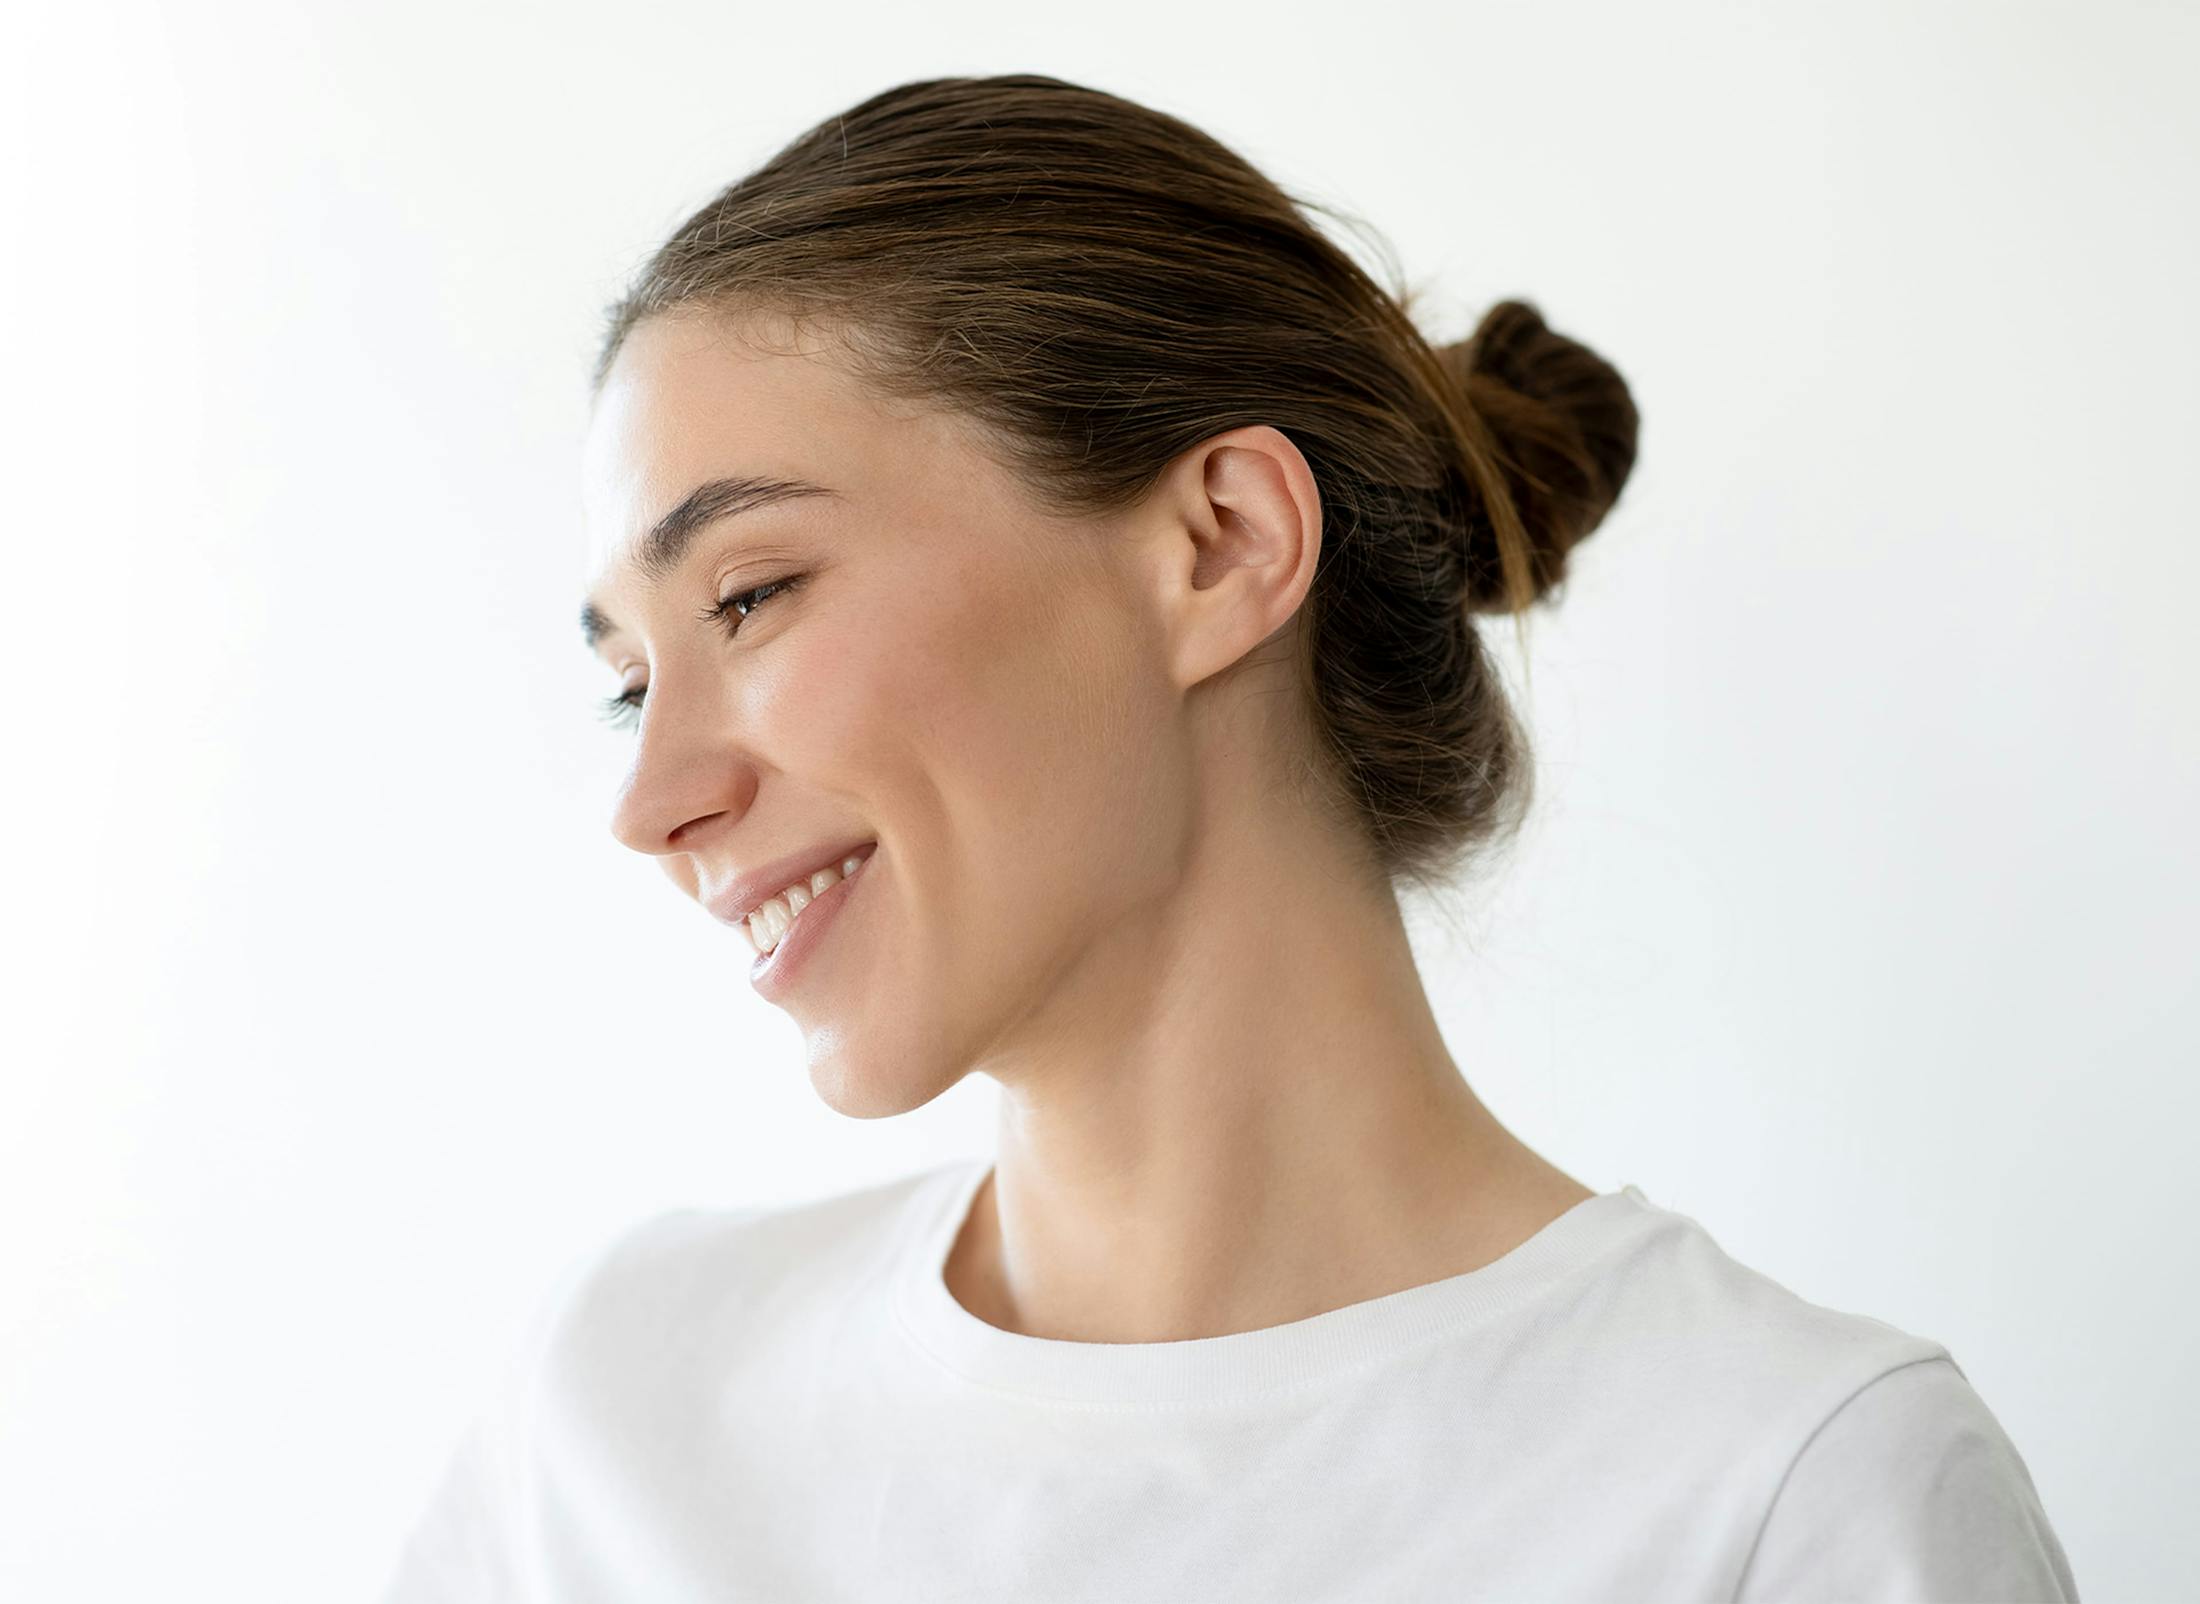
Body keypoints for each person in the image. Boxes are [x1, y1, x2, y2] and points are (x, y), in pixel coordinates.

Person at [384, 73, 2078, 1601]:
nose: (649, 798)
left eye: (750, 596)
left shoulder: (1786, 1494)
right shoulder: (616, 1425)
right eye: (629, 683)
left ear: (1221, 542)